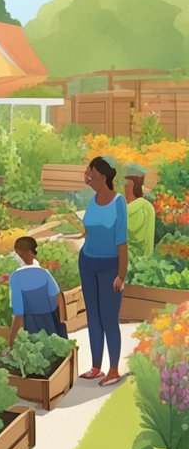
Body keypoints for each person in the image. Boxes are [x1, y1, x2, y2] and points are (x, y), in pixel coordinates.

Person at [77, 156, 128, 387]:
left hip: (109, 267)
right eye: (89, 176)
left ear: (105, 177)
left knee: (109, 319)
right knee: (93, 318)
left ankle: (114, 369)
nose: (90, 180)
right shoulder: (94, 199)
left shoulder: (118, 202)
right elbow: (90, 229)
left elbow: (122, 242)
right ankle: (96, 366)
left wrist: (121, 274)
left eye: (93, 177)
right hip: (87, 263)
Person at [8, 236, 67, 344]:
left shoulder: (15, 277)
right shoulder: (45, 273)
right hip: (51, 326)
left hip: (32, 328)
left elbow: (18, 314)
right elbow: (59, 296)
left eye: (17, 253)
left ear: (27, 253)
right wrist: (61, 323)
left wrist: (11, 341)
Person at [124, 164, 155, 258]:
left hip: (132, 260)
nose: (124, 188)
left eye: (126, 185)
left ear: (132, 186)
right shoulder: (148, 206)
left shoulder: (136, 208)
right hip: (145, 259)